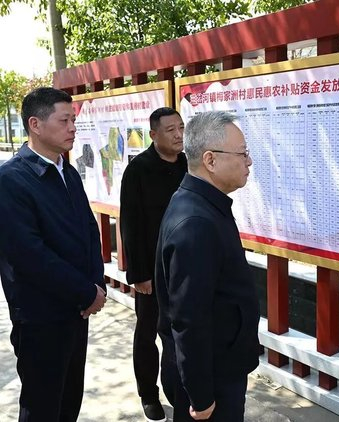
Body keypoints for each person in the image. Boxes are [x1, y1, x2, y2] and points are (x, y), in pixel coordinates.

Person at [0, 87, 107, 422]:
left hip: (77, 310)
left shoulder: (67, 171)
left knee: (69, 401)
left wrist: (96, 285)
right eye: (64, 121)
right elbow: (30, 255)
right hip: (40, 317)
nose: (73, 128)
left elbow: (88, 230)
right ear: (35, 124)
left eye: (73, 120)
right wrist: (86, 291)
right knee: (42, 407)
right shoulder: (11, 180)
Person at [155, 111, 259, 422]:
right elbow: (189, 318)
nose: (249, 161)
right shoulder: (195, 222)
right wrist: (200, 395)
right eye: (242, 153)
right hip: (211, 378)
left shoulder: (205, 204)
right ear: (210, 160)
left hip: (222, 364)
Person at [120, 107, 188, 422]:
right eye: (170, 130)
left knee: (180, 333)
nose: (178, 135)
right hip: (151, 268)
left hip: (184, 266)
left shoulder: (188, 164)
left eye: (181, 128)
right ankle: (148, 393)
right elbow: (130, 224)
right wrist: (140, 274)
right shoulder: (138, 170)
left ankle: (180, 390)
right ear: (153, 135)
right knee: (147, 333)